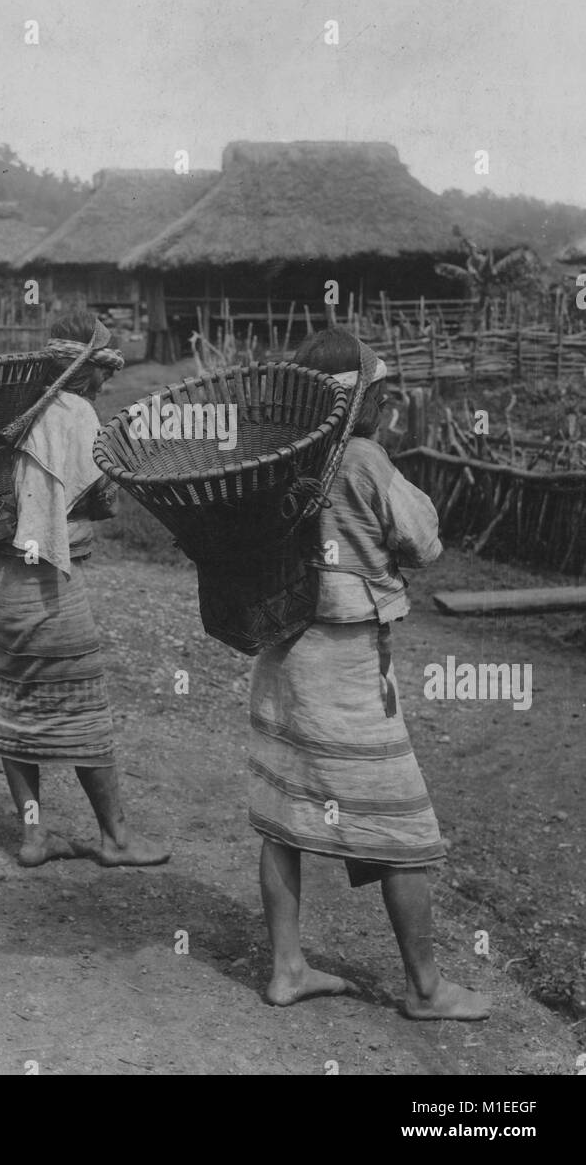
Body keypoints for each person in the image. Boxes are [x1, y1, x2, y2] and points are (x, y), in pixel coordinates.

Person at [250, 327, 489, 1021]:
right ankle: (425, 989)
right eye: (379, 398)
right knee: (402, 829)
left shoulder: (275, 456)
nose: (385, 410)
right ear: (360, 403)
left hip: (281, 655)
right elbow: (421, 540)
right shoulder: (361, 458)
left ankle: (287, 967)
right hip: (346, 664)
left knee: (284, 816)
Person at [0, 309, 170, 870]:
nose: (105, 385)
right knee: (84, 709)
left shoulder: (4, 408)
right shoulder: (77, 412)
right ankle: (115, 837)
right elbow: (102, 497)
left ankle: (34, 837)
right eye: (104, 375)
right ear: (89, 372)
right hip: (50, 586)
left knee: (15, 709)